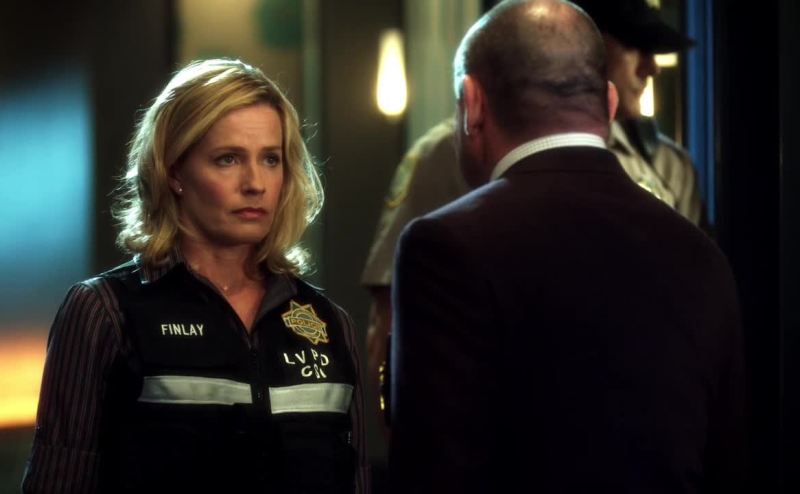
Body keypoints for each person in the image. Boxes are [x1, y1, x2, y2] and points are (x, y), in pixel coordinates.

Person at [389, 1, 745, 493]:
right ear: (610, 104)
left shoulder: (445, 247)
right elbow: (727, 464)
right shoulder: (700, 255)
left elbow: (433, 468)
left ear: (472, 104)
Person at [23, 59, 368, 493]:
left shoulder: (330, 323)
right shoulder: (104, 312)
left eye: (271, 159)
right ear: (174, 172)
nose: (255, 183)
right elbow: (58, 481)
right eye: (228, 159)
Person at [574, 0, 707, 228]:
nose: (652, 68)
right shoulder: (531, 151)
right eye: (636, 47)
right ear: (589, 47)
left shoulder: (669, 166)